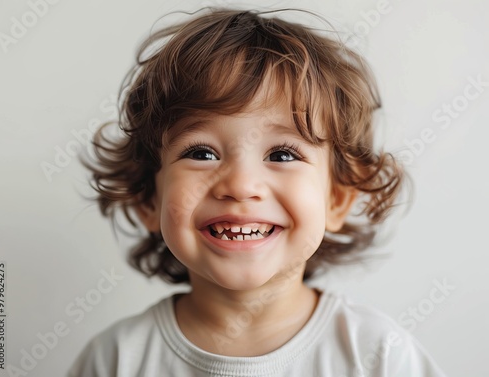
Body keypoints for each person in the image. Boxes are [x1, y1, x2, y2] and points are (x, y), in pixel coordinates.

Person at [68, 8, 446, 377]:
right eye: (201, 153)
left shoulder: (379, 356)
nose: (240, 185)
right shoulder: (115, 360)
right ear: (149, 199)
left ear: (337, 199)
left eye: (282, 154)